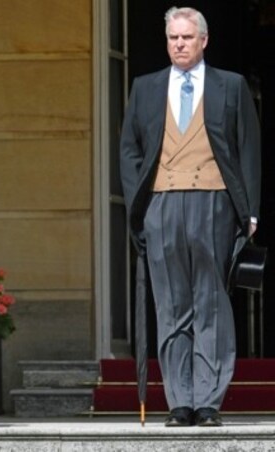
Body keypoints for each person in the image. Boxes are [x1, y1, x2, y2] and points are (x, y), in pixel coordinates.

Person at [119, 7, 260, 427]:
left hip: (214, 201)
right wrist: (136, 206)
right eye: (173, 38)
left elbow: (248, 148)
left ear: (203, 40)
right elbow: (130, 150)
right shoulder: (145, 87)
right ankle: (179, 400)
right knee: (171, 304)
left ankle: (209, 401)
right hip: (161, 204)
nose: (179, 44)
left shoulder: (230, 86)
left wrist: (250, 211)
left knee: (211, 303)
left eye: (186, 37)